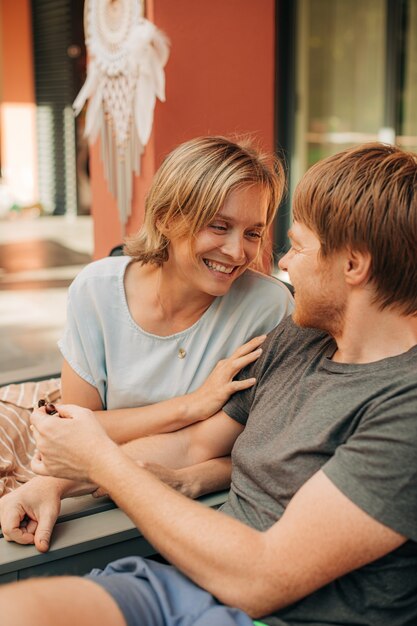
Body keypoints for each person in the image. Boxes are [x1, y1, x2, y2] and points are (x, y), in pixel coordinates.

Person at [1, 142, 416, 626]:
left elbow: (262, 580)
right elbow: (194, 444)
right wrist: (56, 482)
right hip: (187, 585)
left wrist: (105, 463)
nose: (280, 263)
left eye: (297, 246)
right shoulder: (297, 336)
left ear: (353, 266)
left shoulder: (404, 409)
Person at [0, 136, 293, 506]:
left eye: (253, 233)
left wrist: (187, 476)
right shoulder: (97, 290)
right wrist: (191, 406)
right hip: (95, 492)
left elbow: (259, 446)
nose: (238, 252)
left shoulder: (268, 308)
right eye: (219, 226)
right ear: (166, 218)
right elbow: (72, 432)